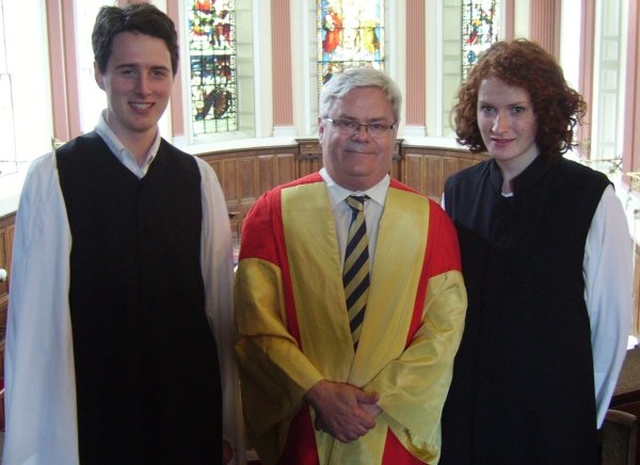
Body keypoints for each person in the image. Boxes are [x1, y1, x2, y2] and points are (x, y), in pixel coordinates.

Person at [3, 3, 244, 464]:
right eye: (127, 71)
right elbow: (34, 332)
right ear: (99, 73)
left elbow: (218, 314)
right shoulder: (54, 177)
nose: (144, 88)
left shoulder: (197, 179)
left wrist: (226, 425)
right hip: (95, 420)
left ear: (173, 76)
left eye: (158, 72)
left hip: (186, 416)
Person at [234, 67, 467, 464]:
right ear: (322, 128)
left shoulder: (430, 220)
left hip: (391, 428)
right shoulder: (272, 212)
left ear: (394, 135)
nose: (362, 135)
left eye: (377, 124)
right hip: (308, 422)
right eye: (346, 122)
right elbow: (256, 325)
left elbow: (443, 333)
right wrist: (318, 392)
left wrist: (373, 403)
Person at [440, 39, 633, 464]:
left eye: (516, 110)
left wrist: (581, 415)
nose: (499, 126)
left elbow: (610, 327)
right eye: (488, 108)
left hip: (551, 419)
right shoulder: (457, 193)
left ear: (543, 113)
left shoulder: (591, 198)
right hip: (469, 412)